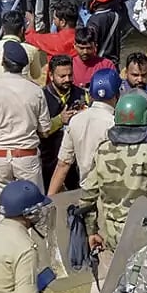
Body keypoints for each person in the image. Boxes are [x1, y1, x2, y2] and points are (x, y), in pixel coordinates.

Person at [79, 90, 147, 293]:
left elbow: (88, 195)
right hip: (143, 236)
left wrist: (91, 230)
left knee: (108, 283)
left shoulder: (103, 151)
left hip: (111, 235)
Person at [0, 40, 51, 198]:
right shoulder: (35, 91)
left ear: (3, 63)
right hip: (27, 156)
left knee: (5, 207)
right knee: (35, 207)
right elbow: (45, 131)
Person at [47, 68, 119, 196]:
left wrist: (50, 199)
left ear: (91, 94)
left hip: (86, 193)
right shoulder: (114, 124)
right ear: (117, 94)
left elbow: (63, 165)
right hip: (111, 194)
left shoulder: (75, 121)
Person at [36, 54, 86, 194]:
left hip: (75, 163)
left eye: (70, 75)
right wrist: (59, 120)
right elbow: (38, 130)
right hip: (49, 161)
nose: (67, 80)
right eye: (62, 76)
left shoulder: (82, 95)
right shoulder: (41, 97)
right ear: (51, 75)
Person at [0, 10, 44, 82]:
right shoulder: (31, 50)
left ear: (3, 28)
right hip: (21, 89)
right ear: (22, 29)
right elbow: (36, 75)